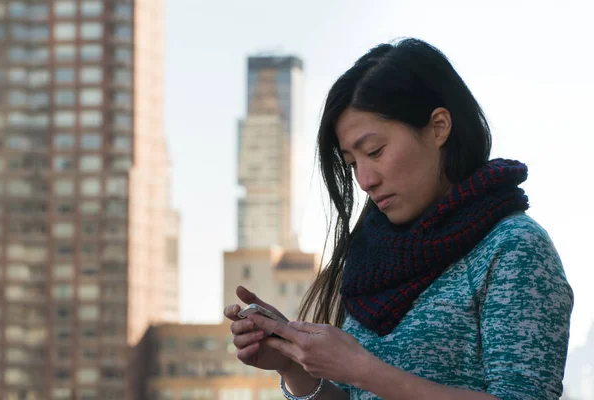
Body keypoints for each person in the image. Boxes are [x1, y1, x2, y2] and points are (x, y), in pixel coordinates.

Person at [224, 38, 573, 400]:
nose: (364, 180)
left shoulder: (513, 247)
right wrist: (291, 360)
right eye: (353, 163)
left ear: (438, 127)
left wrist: (363, 369)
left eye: (375, 151)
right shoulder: (372, 258)